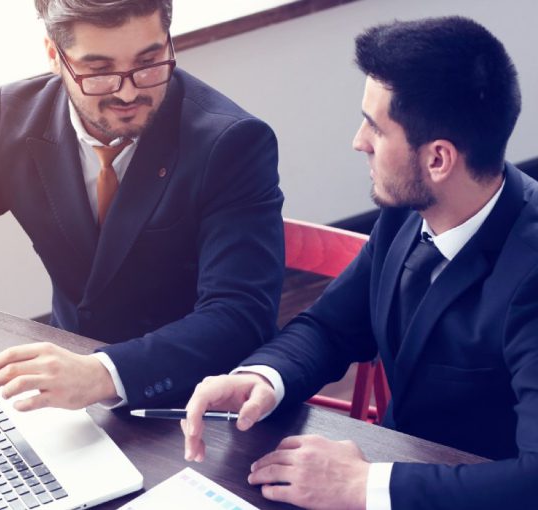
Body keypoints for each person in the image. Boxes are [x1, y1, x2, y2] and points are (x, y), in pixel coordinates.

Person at [0, 0, 284, 412]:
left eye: (149, 63)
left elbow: (239, 316)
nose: (128, 92)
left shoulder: (232, 143)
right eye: (99, 71)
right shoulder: (15, 119)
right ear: (54, 55)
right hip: (61, 393)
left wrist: (103, 372)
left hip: (195, 401)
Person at [182, 16, 537, 510]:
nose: (358, 141)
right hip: (400, 458)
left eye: (375, 127)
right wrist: (262, 379)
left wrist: (363, 485)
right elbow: (331, 327)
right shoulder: (404, 213)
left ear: (438, 160)